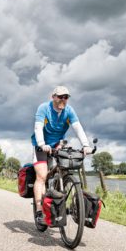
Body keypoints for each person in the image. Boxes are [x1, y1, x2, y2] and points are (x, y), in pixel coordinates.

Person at [31, 86, 93, 225]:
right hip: (41, 145)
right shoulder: (43, 108)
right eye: (60, 97)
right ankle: (40, 211)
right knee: (41, 176)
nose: (63, 100)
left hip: (58, 144)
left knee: (64, 166)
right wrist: (41, 143)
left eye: (66, 97)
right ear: (53, 96)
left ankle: (60, 190)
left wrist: (85, 145)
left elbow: (78, 127)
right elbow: (38, 127)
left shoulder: (69, 111)